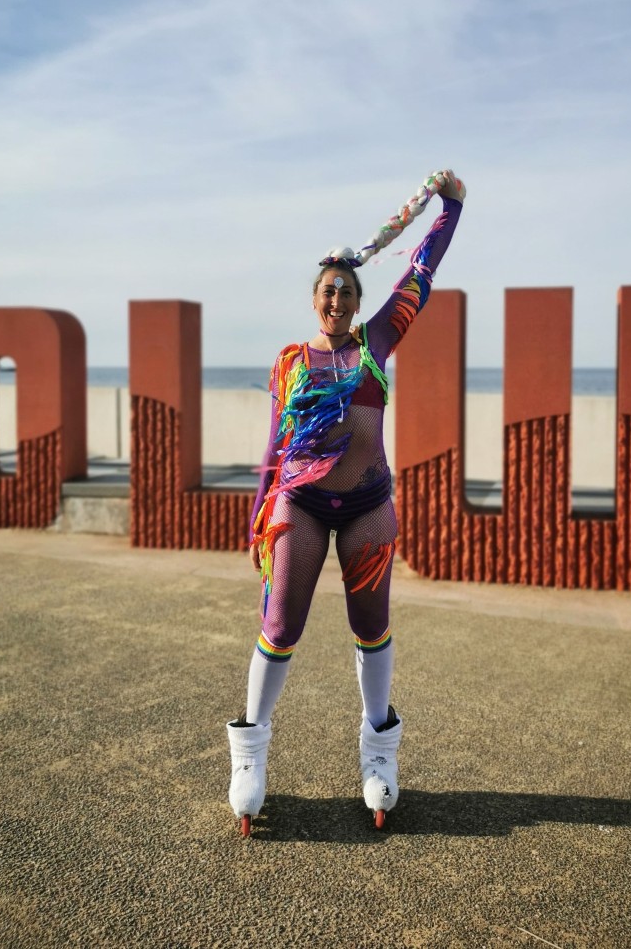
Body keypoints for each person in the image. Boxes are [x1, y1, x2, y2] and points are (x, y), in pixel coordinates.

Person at [226, 169, 466, 834]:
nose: (336, 299)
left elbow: (421, 270)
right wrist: (257, 518)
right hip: (299, 505)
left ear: (360, 302)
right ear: (314, 300)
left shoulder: (377, 342)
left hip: (367, 506)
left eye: (347, 291)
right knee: (281, 626)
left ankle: (379, 753)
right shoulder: (289, 361)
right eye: (328, 290)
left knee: (371, 624)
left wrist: (450, 208)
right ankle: (249, 757)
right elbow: (275, 445)